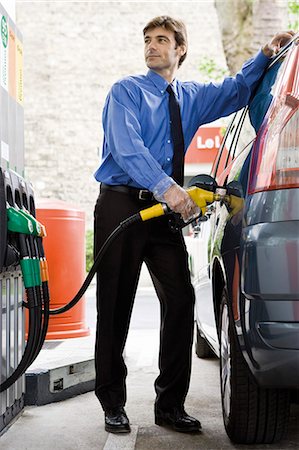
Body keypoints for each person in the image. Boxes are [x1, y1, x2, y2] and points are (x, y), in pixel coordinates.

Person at [93, 16, 294, 434]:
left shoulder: (188, 97)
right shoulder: (126, 92)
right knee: (115, 308)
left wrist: (265, 55)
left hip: (163, 215)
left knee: (182, 302)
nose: (152, 46)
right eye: (147, 39)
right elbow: (126, 147)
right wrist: (170, 189)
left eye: (162, 40)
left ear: (180, 49)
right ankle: (113, 403)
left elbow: (236, 90)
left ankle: (169, 405)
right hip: (121, 209)